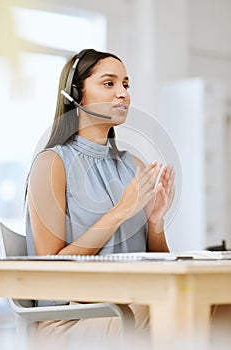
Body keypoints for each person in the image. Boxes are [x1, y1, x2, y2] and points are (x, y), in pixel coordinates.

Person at [25, 48, 175, 348]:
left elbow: (158, 267)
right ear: (76, 94)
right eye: (109, 83)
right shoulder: (51, 164)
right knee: (163, 316)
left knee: (218, 307)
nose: (123, 94)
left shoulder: (134, 165)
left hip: (128, 303)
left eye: (126, 85)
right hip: (70, 317)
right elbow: (50, 271)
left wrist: (154, 223)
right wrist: (119, 212)